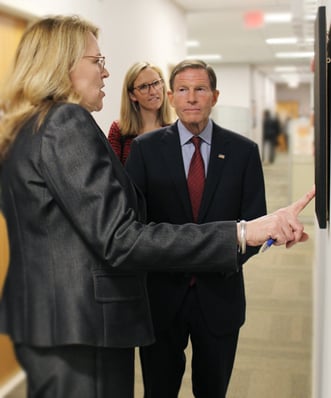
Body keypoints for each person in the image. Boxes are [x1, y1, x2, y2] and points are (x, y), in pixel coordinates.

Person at [0, 15, 314, 398]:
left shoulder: (32, 125)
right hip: (79, 322)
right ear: (63, 64)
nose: (106, 72)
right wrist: (243, 231)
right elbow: (121, 238)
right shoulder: (67, 123)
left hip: (55, 319)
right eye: (97, 61)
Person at [125, 60, 275, 397]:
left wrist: (217, 260)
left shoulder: (243, 152)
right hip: (162, 297)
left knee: (213, 390)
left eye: (200, 89)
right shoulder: (146, 151)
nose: (191, 98)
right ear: (171, 97)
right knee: (158, 390)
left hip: (220, 296)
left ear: (215, 96)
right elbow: (133, 225)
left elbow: (255, 226)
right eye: (182, 90)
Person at [108, 61, 172, 164]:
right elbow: (112, 172)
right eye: (143, 87)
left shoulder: (175, 131)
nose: (153, 92)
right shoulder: (119, 130)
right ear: (132, 95)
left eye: (156, 83)